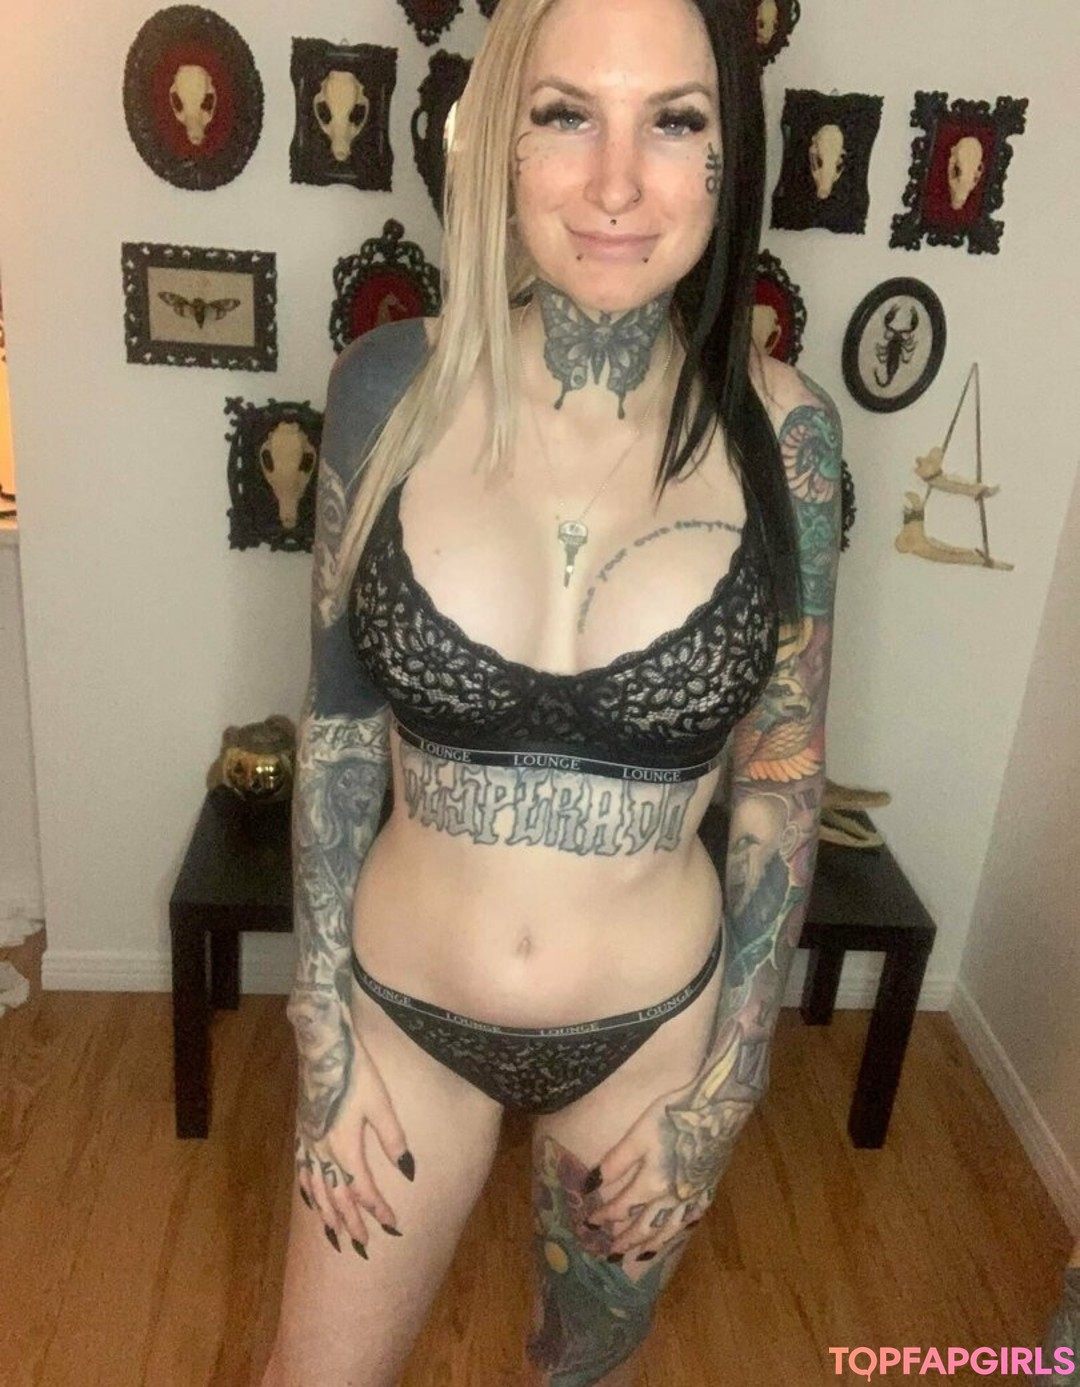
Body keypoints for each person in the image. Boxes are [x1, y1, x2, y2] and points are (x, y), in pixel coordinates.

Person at [261, 0, 842, 1383]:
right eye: (567, 113)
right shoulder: (388, 388)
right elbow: (339, 734)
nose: (617, 184)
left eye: (674, 121)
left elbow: (784, 774)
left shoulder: (788, 436)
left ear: (731, 152)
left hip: (648, 1055)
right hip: (402, 1023)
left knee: (577, 1374)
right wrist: (319, 1031)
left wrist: (726, 1094)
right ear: (500, 141)